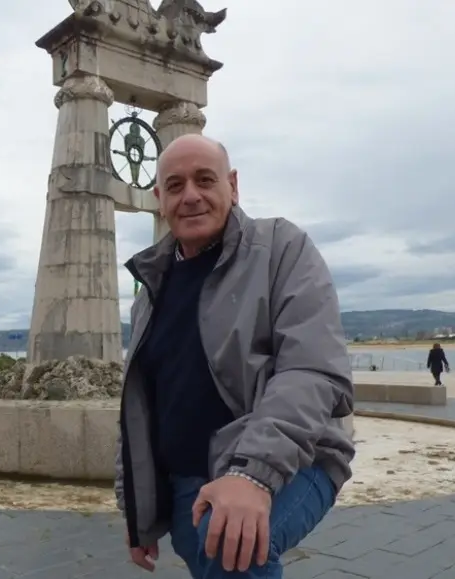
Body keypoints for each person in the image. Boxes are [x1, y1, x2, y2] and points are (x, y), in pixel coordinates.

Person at [117, 134, 355, 578]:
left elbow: (312, 369)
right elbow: (140, 404)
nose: (190, 195)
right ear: (159, 199)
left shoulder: (282, 247)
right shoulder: (152, 287)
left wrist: (252, 476)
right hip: (188, 484)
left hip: (295, 461)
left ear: (233, 185)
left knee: (233, 548)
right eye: (175, 185)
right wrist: (137, 510)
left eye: (205, 180)